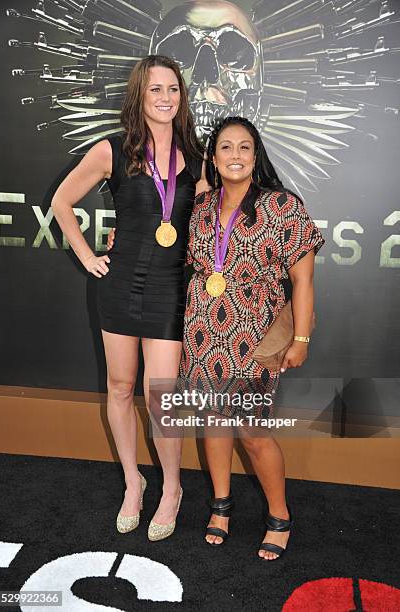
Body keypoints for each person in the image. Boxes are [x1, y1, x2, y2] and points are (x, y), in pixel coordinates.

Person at [51, 55, 207, 541]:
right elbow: (61, 202)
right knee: (119, 388)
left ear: (182, 97)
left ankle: (173, 489)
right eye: (156, 89)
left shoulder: (198, 157)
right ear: (139, 94)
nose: (166, 98)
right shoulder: (111, 151)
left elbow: (210, 222)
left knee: (161, 397)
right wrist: (88, 258)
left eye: (174, 90)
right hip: (118, 287)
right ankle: (133, 482)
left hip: (170, 290)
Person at [179, 116, 325, 560]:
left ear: (256, 154)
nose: (236, 155)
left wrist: (299, 338)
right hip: (203, 330)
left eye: (245, 147)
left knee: (253, 431)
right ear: (213, 156)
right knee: (213, 421)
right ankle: (221, 507)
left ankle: (279, 516)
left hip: (254, 335)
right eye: (226, 147)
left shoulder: (283, 206)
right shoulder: (201, 208)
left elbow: (302, 282)